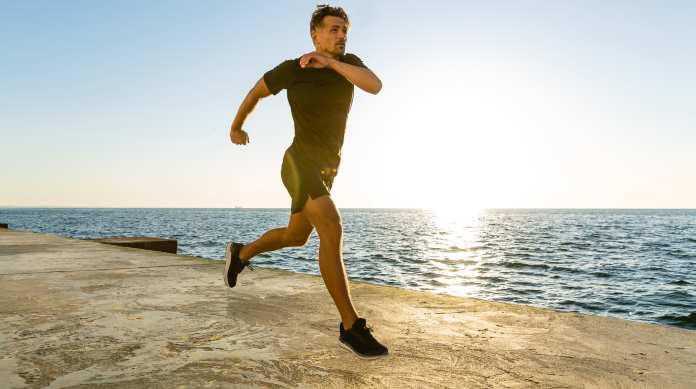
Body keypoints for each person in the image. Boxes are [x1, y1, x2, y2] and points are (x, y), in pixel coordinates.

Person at [224, 5, 388, 359]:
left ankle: (241, 253)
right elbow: (257, 90)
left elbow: (375, 86)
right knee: (332, 227)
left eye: (344, 29)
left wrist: (330, 63)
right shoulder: (292, 70)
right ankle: (350, 326)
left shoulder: (350, 65)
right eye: (333, 29)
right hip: (299, 162)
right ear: (314, 34)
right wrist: (237, 125)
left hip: (328, 168)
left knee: (296, 237)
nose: (341, 35)